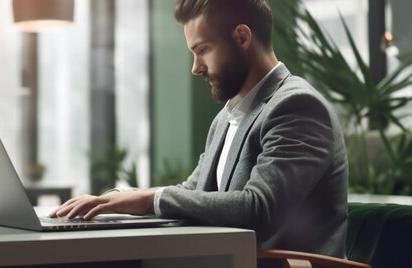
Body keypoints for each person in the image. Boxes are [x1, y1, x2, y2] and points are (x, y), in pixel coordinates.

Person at [50, 0, 348, 258]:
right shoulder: (227, 117)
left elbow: (259, 209)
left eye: (202, 49)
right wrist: (117, 202)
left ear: (243, 37)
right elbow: (194, 192)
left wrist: (148, 200)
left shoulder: (297, 106)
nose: (195, 67)